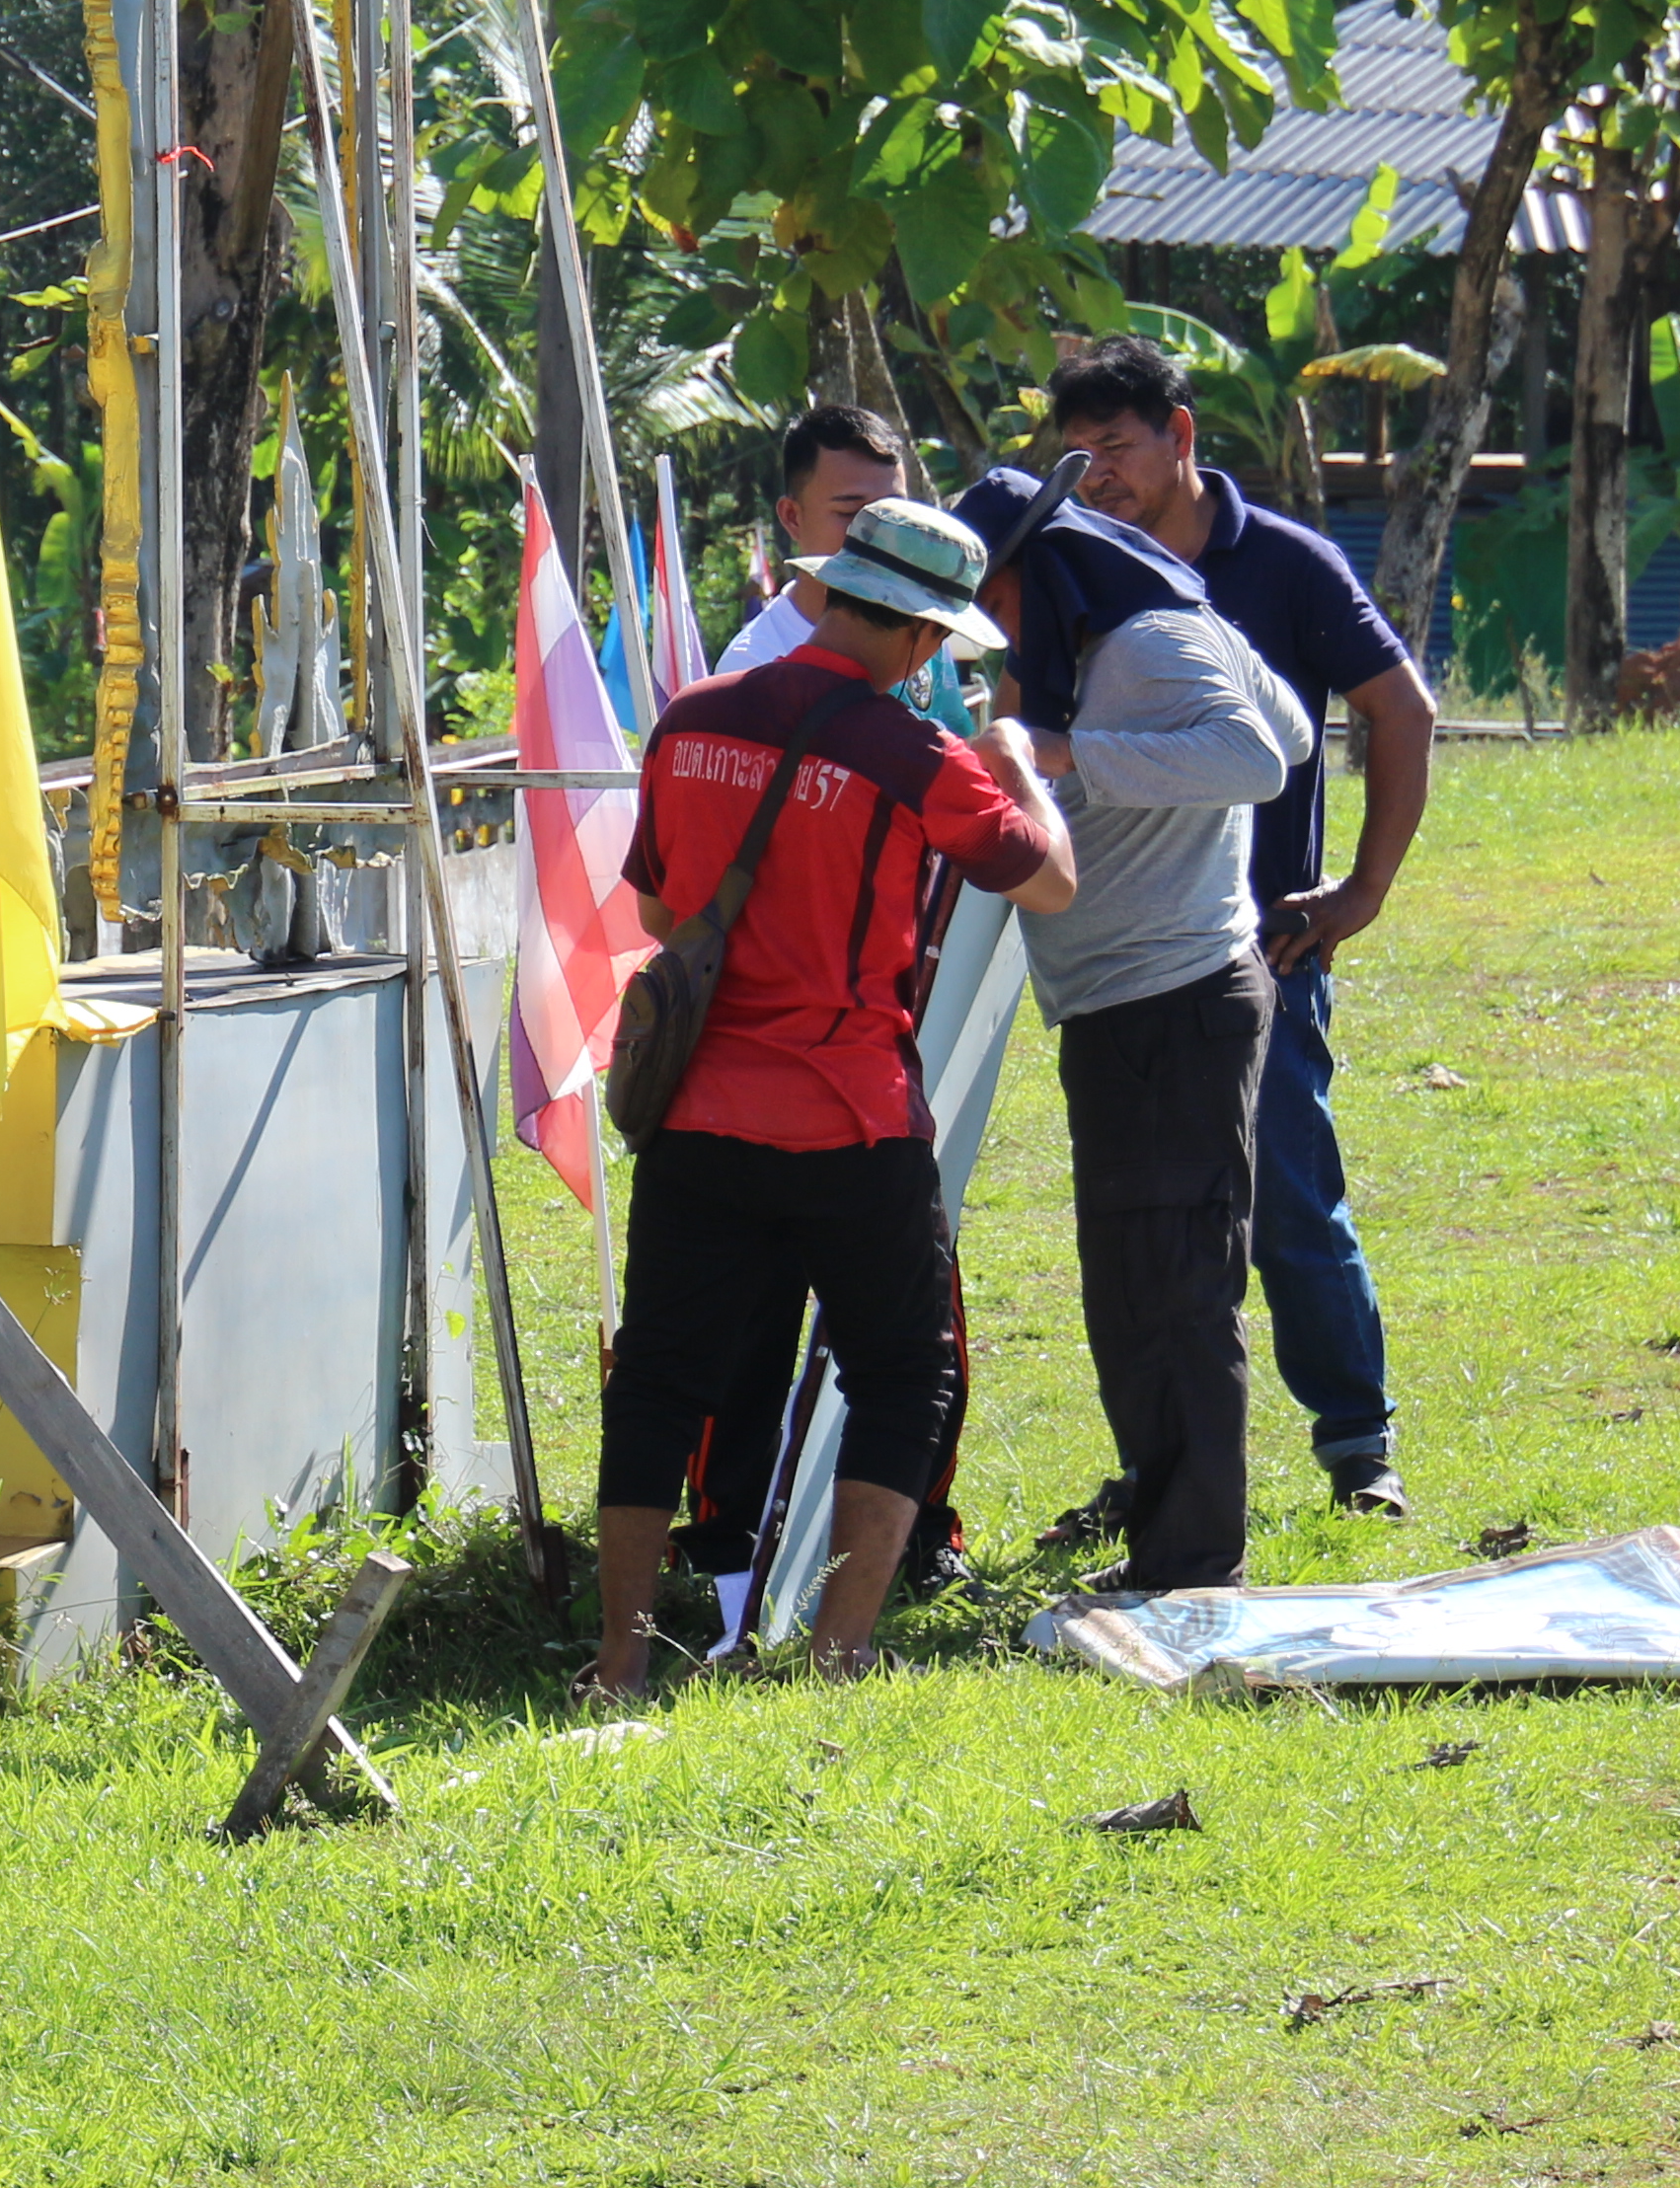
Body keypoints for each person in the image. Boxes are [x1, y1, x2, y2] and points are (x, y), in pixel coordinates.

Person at [587, 498, 1077, 1696]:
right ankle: (839, 1648)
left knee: (658, 1376)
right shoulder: (915, 751)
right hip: (852, 1119)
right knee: (905, 1374)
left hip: (698, 1116)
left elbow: (658, 915)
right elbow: (1049, 881)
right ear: (921, 641)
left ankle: (618, 1660)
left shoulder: (693, 719)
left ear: (830, 592)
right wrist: (1018, 767)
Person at [1047, 335, 1441, 1519]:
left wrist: (1361, 891)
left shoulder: (1284, 562)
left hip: (1256, 948)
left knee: (1285, 1197)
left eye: (1115, 447)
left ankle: (1357, 1447)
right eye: (1075, 455)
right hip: (1117, 955)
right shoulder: (1068, 569)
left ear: (1181, 437)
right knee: (1146, 1230)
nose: (1097, 475)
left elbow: (1400, 711)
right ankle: (1158, 1471)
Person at [947, 471, 1309, 1597]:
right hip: (1141, 1005)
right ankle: (1173, 1542)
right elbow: (1290, 725)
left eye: (993, 597)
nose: (991, 628)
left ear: (1035, 574)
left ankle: (1192, 1565)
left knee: (1172, 1294)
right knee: (1136, 1289)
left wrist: (1064, 758)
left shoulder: (1146, 642)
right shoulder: (1147, 631)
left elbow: (1258, 759)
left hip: (1172, 1004)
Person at [709, 403, 911, 679]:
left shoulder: (921, 637)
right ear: (792, 517)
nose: (879, 532)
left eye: (893, 513)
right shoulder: (753, 668)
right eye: (851, 513)